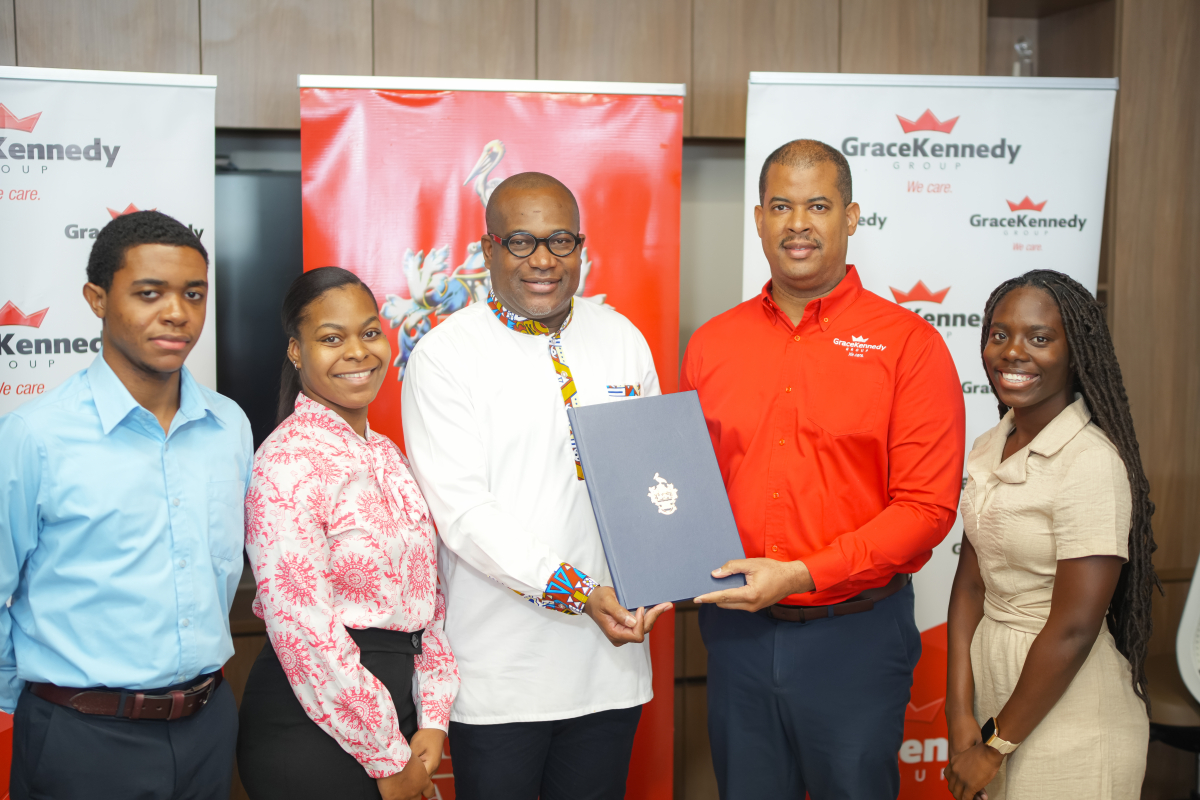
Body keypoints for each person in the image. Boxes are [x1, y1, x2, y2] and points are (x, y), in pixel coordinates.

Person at [681, 139, 966, 798]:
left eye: (818, 205)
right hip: (737, 638)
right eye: (781, 206)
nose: (798, 224)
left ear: (851, 217)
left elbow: (926, 510)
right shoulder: (712, 344)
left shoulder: (909, 345)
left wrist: (804, 574)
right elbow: (685, 492)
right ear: (759, 220)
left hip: (854, 640)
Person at [401, 172, 672, 800]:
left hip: (610, 667)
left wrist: (667, 571)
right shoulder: (446, 355)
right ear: (489, 249)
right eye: (521, 242)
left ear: (581, 247)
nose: (544, 260)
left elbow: (653, 479)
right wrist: (580, 591)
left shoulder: (622, 338)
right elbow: (465, 515)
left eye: (561, 241)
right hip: (501, 675)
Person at [0, 211, 252, 799]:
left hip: (209, 724)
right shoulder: (36, 436)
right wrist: (43, 702)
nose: (177, 312)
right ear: (97, 299)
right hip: (81, 736)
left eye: (194, 294)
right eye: (149, 293)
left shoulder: (229, 426)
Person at [236, 267, 458, 800]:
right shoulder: (285, 462)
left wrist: (432, 717)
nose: (358, 351)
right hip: (311, 728)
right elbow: (304, 632)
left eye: (369, 332)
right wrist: (387, 756)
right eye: (332, 338)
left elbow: (429, 599)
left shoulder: (389, 455)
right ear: (296, 351)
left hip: (397, 719)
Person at [944, 270, 1153, 800]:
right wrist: (959, 712)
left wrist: (995, 747)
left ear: (1075, 352)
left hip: (1073, 715)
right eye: (1000, 334)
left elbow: (1074, 629)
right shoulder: (990, 444)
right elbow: (971, 584)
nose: (1013, 352)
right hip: (995, 691)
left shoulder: (1091, 462)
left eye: (1039, 338)